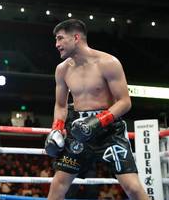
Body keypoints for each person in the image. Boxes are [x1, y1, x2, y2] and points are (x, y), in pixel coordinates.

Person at [44, 19, 148, 200]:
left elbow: (124, 102)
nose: (57, 44)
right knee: (58, 185)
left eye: (60, 39)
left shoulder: (108, 63)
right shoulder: (62, 70)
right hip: (78, 130)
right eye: (56, 40)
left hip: (109, 131)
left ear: (76, 37)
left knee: (132, 188)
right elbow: (61, 105)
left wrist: (99, 121)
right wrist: (57, 127)